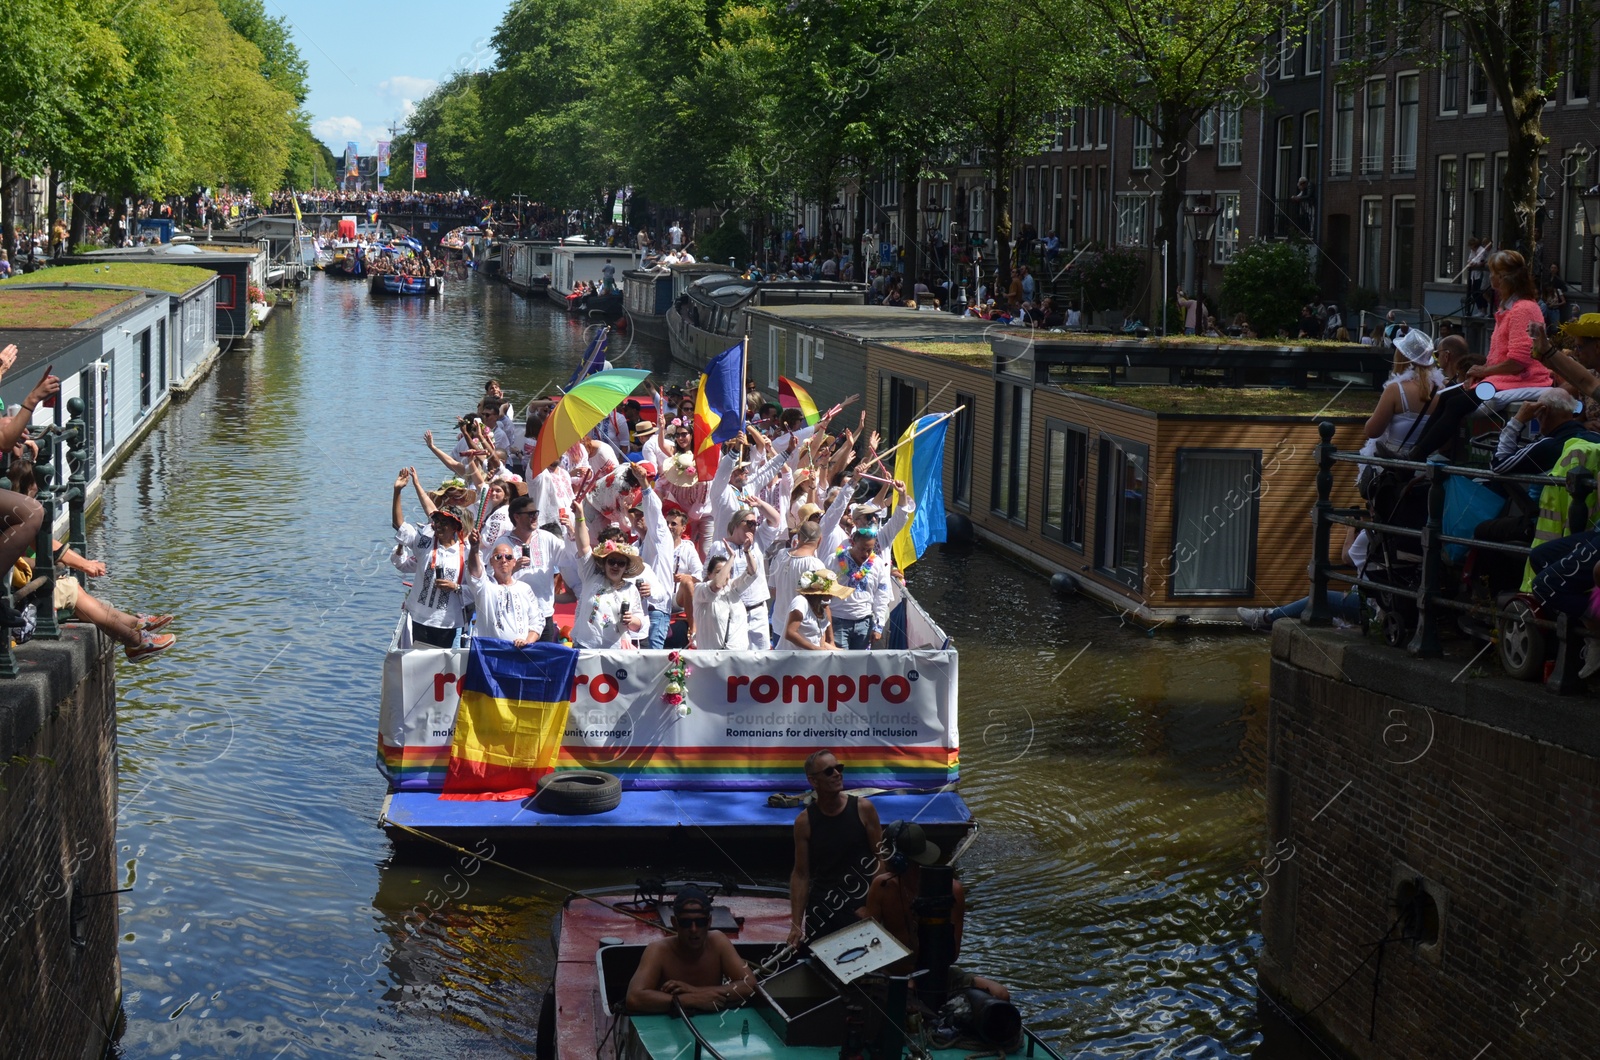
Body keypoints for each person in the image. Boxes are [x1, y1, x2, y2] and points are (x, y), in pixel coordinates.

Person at [4, 458, 175, 659]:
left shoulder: (13, 513)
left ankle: (134, 629)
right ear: (29, 486)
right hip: (18, 602)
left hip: (19, 588)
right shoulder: (20, 516)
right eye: (37, 486)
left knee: (71, 586)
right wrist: (83, 565)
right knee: (70, 588)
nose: (42, 490)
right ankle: (135, 639)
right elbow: (50, 550)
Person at [1411, 250, 1554, 458]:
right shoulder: (1511, 308)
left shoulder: (1522, 309)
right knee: (1448, 396)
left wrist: (1484, 371)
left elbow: (1519, 361)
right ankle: (1415, 451)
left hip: (1521, 381)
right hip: (1503, 379)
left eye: (1493, 273)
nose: (1490, 278)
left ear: (1504, 278)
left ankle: (1417, 456)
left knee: (1456, 403)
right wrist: (1482, 374)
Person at [864, 822, 1010, 1001]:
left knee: (1000, 995)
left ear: (898, 859)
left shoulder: (951, 889)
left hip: (937, 974)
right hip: (892, 977)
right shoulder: (882, 886)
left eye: (887, 854)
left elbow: (952, 954)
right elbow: (868, 945)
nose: (884, 859)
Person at [787, 749, 883, 946]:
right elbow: (801, 874)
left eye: (839, 768)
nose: (837, 774)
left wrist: (872, 909)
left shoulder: (863, 809)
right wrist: (796, 924)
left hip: (860, 903)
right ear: (813, 781)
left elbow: (881, 858)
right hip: (822, 906)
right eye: (829, 771)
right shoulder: (804, 822)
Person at [624, 886, 755, 1014]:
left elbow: (749, 984)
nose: (693, 929)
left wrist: (694, 991)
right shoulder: (658, 950)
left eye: (700, 922)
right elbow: (634, 998)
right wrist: (690, 999)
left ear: (709, 922)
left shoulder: (718, 942)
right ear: (675, 923)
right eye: (686, 923)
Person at [395, 501, 471, 649]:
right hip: (419, 617)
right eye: (437, 521)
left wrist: (455, 587)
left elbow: (477, 590)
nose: (438, 525)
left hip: (447, 622)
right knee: (419, 659)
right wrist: (397, 491)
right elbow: (399, 525)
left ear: (455, 527)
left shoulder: (467, 554)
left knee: (439, 664)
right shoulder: (425, 544)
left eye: (444, 522)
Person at [494, 494, 565, 642]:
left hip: (544, 613)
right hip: (515, 614)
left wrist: (572, 530)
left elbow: (569, 558)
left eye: (536, 513)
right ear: (517, 517)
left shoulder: (547, 538)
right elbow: (493, 579)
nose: (535, 517)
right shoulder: (503, 543)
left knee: (543, 661)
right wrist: (514, 568)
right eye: (530, 514)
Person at [570, 515, 647, 648]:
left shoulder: (631, 589)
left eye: (620, 563)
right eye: (611, 561)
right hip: (586, 646)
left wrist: (631, 620)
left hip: (616, 650)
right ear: (604, 563)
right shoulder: (591, 576)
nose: (615, 566)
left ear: (626, 567)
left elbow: (639, 622)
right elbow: (583, 547)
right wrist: (580, 516)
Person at [465, 533, 545, 646]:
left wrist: (527, 642)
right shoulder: (484, 587)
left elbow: (537, 621)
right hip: (489, 654)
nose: (503, 560)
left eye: (508, 557)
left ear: (514, 562)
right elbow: (474, 571)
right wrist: (474, 548)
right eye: (498, 557)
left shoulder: (525, 588)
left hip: (519, 653)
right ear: (491, 562)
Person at [828, 526, 892, 649]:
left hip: (864, 622)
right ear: (852, 543)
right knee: (839, 664)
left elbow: (882, 595)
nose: (866, 554)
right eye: (862, 549)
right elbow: (823, 591)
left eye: (870, 550)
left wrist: (878, 626)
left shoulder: (877, 564)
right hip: (838, 621)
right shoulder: (833, 560)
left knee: (860, 664)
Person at [691, 545, 761, 649]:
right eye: (719, 572)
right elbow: (717, 584)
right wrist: (732, 557)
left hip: (738, 657)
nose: (725, 575)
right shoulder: (700, 590)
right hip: (713, 659)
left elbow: (753, 573)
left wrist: (747, 551)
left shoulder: (732, 587)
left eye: (728, 571)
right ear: (709, 574)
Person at [783, 569, 847, 650]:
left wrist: (841, 652)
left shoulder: (822, 609)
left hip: (811, 659)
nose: (833, 595)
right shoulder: (801, 602)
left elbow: (821, 643)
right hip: (792, 658)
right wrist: (815, 649)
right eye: (831, 592)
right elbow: (790, 633)